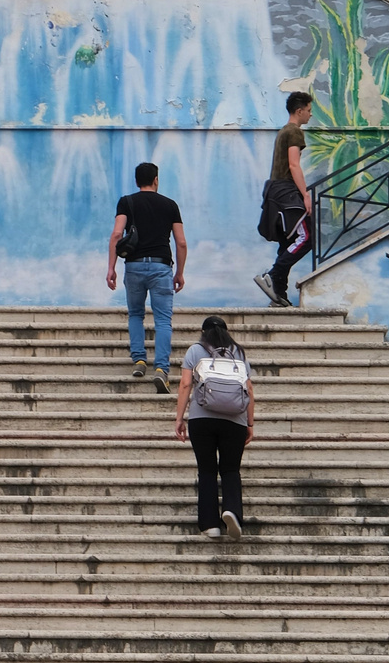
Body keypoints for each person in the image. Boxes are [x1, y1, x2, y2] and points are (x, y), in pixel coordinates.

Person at [106, 161, 187, 394]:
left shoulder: (126, 202)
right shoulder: (170, 205)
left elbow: (116, 234)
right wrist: (179, 272)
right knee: (163, 320)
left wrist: (111, 267)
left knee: (135, 314)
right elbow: (181, 242)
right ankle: (161, 369)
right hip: (162, 267)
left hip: (133, 267)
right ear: (156, 180)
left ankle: (139, 361)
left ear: (136, 181)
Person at [174, 315, 254, 540]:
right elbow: (249, 389)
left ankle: (211, 525)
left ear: (203, 332)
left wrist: (180, 419)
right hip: (235, 420)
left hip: (202, 420)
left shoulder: (195, 351)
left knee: (207, 470)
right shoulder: (239, 353)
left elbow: (185, 384)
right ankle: (232, 512)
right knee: (230, 470)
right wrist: (249, 423)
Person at [255, 91, 314, 307]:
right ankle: (274, 275)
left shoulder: (283, 132)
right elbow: (293, 164)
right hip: (286, 192)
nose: (310, 115)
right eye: (308, 110)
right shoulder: (294, 132)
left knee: (288, 240)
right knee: (307, 238)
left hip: (275, 191)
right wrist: (305, 195)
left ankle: (278, 294)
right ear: (299, 111)